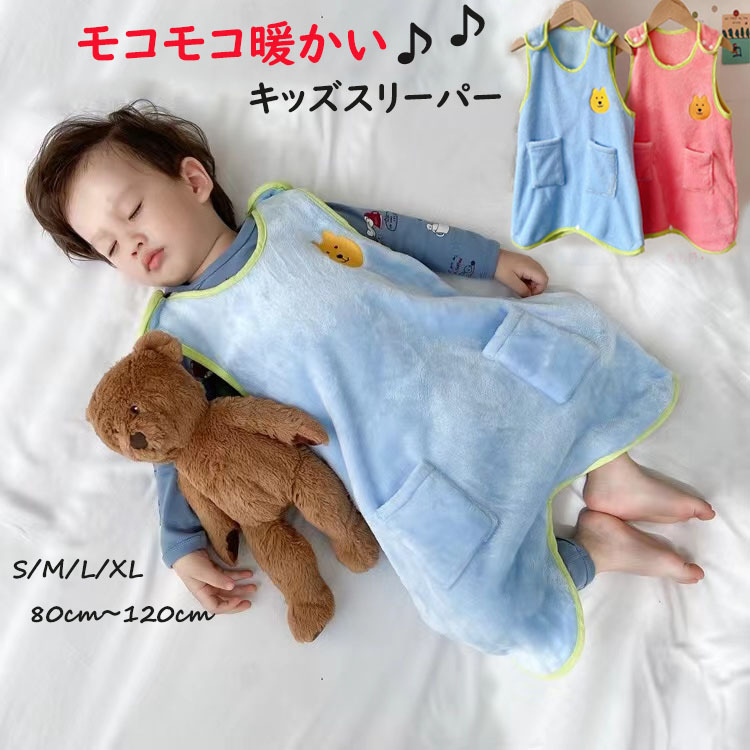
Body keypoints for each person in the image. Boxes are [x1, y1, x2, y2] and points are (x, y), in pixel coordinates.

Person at [25, 100, 715, 673]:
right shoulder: (179, 337)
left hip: (454, 366)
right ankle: (594, 551)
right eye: (108, 246)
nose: (129, 242)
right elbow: (172, 442)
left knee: (573, 348)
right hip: (398, 469)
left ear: (194, 178)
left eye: (132, 210)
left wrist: (486, 259)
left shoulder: (290, 215)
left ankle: (611, 471)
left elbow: (395, 233)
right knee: (472, 609)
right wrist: (181, 543)